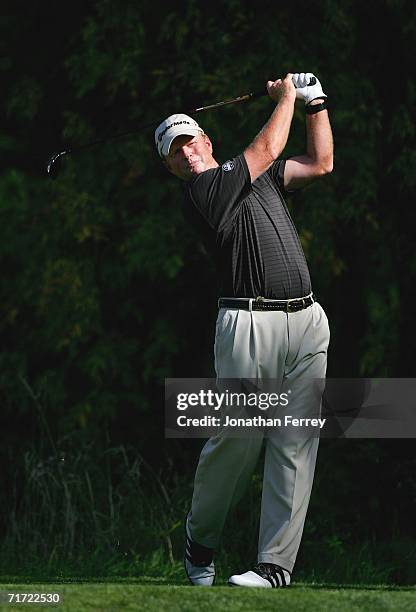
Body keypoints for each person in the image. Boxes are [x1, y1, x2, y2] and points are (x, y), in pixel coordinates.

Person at [155, 72, 333, 588]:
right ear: (170, 167)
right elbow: (270, 143)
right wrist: (286, 99)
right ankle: (200, 541)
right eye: (174, 152)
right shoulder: (204, 192)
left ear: (206, 140)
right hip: (248, 324)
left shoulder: (260, 176)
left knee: (296, 443)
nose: (186, 154)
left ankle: (274, 566)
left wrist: (316, 101)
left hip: (307, 321)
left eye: (190, 142)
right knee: (238, 436)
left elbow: (320, 162)